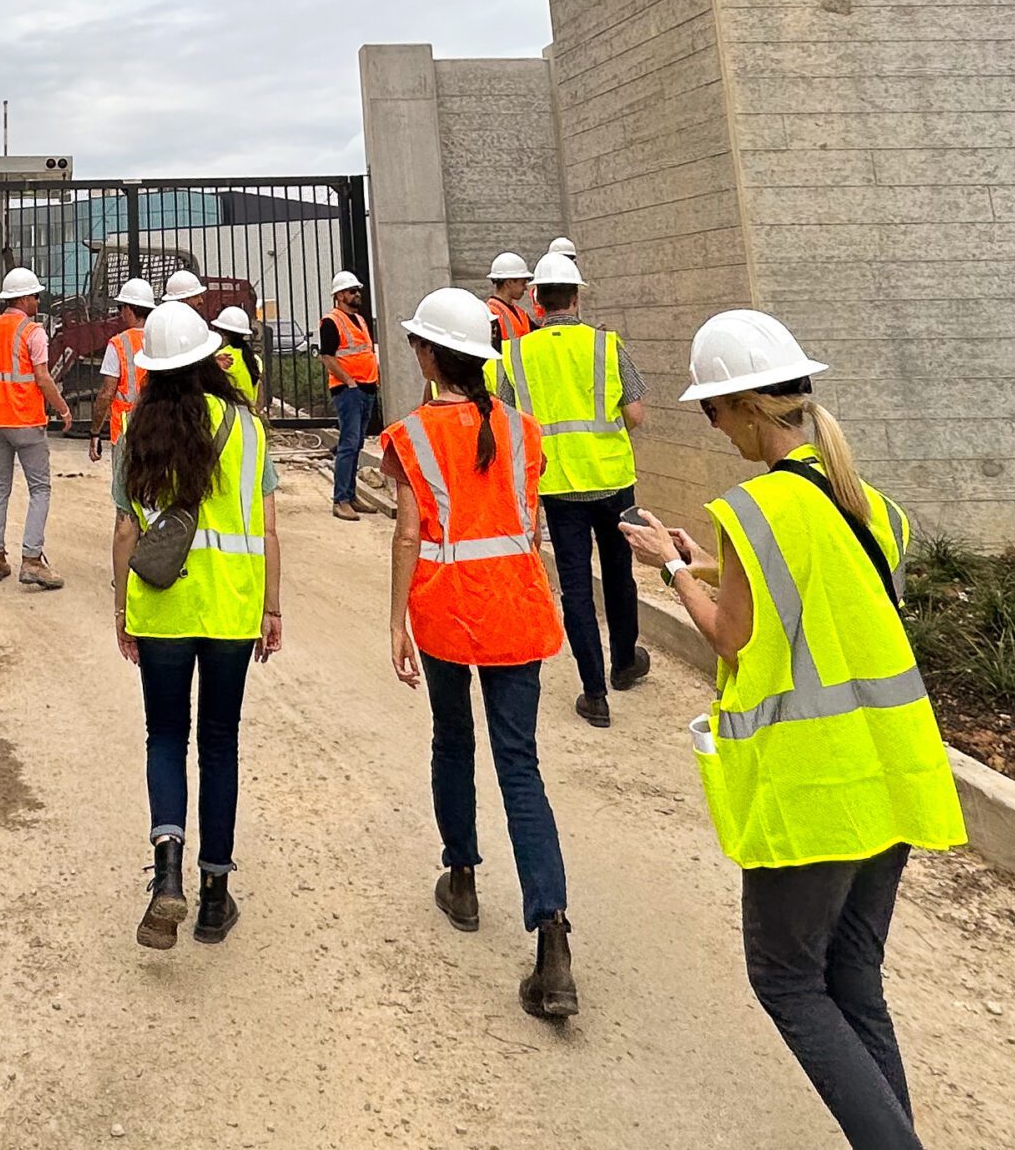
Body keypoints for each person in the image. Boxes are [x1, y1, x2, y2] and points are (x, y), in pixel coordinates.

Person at [622, 312, 965, 1150]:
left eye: (711, 410)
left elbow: (732, 636)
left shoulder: (756, 507)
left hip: (817, 787)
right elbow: (819, 592)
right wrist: (710, 558)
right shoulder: (868, 502)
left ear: (742, 408)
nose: (714, 427)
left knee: (786, 977)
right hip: (894, 770)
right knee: (854, 978)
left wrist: (670, 568)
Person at [381, 287, 578, 1022]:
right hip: (516, 608)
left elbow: (407, 533)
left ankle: (461, 876)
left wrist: (395, 617)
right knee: (519, 762)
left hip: (445, 609)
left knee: (452, 738)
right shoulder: (524, 430)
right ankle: (551, 933)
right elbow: (526, 524)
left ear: (431, 355)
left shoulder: (411, 435)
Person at [110, 298, 282, 949]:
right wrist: (271, 606)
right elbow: (267, 527)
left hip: (164, 608)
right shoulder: (248, 428)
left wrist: (122, 611)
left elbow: (127, 528)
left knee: (165, 735)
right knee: (219, 742)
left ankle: (167, 872)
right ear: (211, 357)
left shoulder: (137, 432)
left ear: (153, 367)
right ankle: (214, 896)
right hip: (232, 609)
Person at [496, 251, 649, 727]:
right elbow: (637, 414)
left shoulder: (517, 353)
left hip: (558, 486)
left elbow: (506, 419)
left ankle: (594, 694)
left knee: (576, 589)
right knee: (620, 574)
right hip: (612, 481)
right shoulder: (606, 346)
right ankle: (624, 663)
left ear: (537, 298)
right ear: (577, 296)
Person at [0, 265, 70, 590]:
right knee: (40, 489)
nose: (37, 300)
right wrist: (62, 408)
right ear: (24, 298)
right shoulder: (33, 331)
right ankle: (32, 560)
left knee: (0, 487)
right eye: (35, 295)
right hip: (26, 420)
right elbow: (42, 377)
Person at [318, 268, 379, 522]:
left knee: (356, 445)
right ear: (340, 295)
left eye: (358, 291)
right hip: (349, 391)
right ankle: (341, 499)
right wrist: (349, 381)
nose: (358, 295)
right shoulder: (332, 321)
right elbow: (327, 357)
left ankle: (351, 495)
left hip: (366, 388)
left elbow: (364, 351)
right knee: (348, 444)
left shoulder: (360, 320)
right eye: (353, 291)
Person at [90, 275, 153, 461]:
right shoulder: (160, 337)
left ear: (128, 309)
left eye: (121, 307)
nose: (120, 313)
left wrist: (95, 432)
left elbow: (106, 393)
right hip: (159, 423)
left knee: (124, 488)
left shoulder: (119, 343)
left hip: (127, 430)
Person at [210, 304, 261, 406]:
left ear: (224, 333)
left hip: (231, 416)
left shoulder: (222, 358)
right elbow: (260, 396)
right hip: (251, 416)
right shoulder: (255, 359)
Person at [485, 251, 538, 348]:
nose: (525, 288)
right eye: (522, 284)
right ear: (509, 283)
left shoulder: (521, 315)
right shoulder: (490, 314)